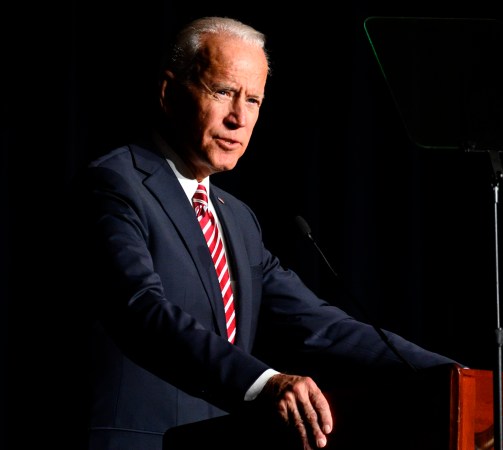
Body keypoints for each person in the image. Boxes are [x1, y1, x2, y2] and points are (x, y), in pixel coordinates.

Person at [66, 16, 462, 450]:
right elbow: (142, 310)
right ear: (168, 92)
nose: (239, 117)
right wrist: (264, 381)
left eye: (253, 100)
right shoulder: (115, 183)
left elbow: (319, 325)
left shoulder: (236, 219)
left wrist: (452, 375)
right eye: (223, 92)